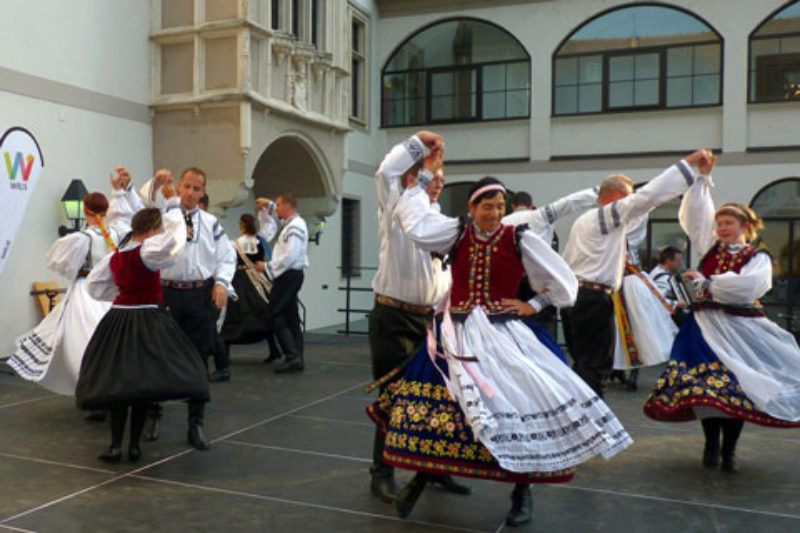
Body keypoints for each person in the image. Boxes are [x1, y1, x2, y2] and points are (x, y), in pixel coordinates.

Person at [369, 173, 633, 526]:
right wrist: (419, 183)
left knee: (518, 407)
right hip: (456, 333)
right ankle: (421, 478)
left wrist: (534, 305)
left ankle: (521, 492)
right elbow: (416, 226)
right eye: (487, 207)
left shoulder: (519, 237)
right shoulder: (456, 233)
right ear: (471, 208)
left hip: (501, 335)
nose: (494, 213)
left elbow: (566, 285)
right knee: (438, 408)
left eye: (499, 207)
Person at [644, 164, 800, 472]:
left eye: (729, 222)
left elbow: (751, 286)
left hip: (739, 328)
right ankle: (711, 445)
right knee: (708, 390)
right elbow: (696, 217)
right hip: (703, 327)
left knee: (736, 390)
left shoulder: (756, 257)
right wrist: (701, 180)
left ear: (744, 225)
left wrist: (709, 283)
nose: (722, 227)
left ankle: (729, 450)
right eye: (720, 223)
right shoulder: (709, 247)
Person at [365, 133, 472, 505]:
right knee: (393, 397)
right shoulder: (395, 207)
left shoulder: (437, 220)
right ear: (414, 179)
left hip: (431, 321)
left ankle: (433, 469)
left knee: (435, 398)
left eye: (440, 179)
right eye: (431, 177)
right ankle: (381, 472)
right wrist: (418, 146)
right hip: (394, 316)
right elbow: (384, 172)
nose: (438, 183)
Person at [561, 150, 712, 398]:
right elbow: (647, 197)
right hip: (592, 299)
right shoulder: (607, 215)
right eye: (627, 198)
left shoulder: (585, 220)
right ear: (617, 197)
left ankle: (582, 416)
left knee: (584, 362)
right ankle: (590, 421)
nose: (629, 204)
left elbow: (568, 261)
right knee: (595, 365)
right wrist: (690, 164)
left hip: (576, 297)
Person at [76, 191, 209, 463]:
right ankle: (134, 445)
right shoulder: (147, 251)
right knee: (141, 386)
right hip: (147, 320)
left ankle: (115, 446)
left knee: (119, 385)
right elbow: (174, 243)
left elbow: (95, 286)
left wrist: (122, 294)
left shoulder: (116, 255)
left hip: (118, 319)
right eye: (157, 230)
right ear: (150, 231)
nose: (160, 234)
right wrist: (173, 207)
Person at [9, 168, 142, 396]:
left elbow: (57, 262)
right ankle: (114, 383)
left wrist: (76, 271)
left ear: (86, 211)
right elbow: (126, 218)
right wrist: (119, 192)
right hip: (112, 292)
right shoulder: (120, 234)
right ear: (106, 210)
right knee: (112, 339)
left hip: (86, 290)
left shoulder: (80, 238)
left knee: (82, 342)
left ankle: (92, 386)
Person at [138, 167, 236, 449]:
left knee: (198, 359)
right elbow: (149, 200)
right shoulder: (164, 216)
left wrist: (221, 282)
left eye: (197, 188)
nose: (191, 193)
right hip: (167, 293)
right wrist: (157, 182)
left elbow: (226, 257)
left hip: (199, 296)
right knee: (158, 355)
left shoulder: (211, 223)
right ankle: (153, 415)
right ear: (178, 188)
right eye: (187, 187)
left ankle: (196, 424)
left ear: (203, 192)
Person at [503, 186, 599, 337]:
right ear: (530, 205)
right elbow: (569, 202)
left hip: (511, 285)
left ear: (513, 206)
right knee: (544, 336)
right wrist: (598, 192)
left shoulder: (500, 223)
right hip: (541, 283)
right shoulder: (540, 215)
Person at [608, 217, 679, 392]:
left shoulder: (626, 237)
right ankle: (620, 369)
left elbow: (638, 223)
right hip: (617, 286)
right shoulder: (615, 238)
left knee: (632, 329)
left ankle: (629, 371)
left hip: (626, 286)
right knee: (621, 330)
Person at [256, 193, 309, 374]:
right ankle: (297, 356)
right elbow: (278, 217)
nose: (276, 209)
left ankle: (292, 355)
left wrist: (268, 267)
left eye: (278, 205)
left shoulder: (295, 227)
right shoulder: (292, 224)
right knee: (291, 316)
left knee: (275, 313)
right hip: (290, 275)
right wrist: (269, 205)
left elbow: (290, 255)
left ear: (287, 206)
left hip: (288, 275)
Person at [220, 214, 281, 362]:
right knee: (264, 309)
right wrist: (265, 213)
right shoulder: (260, 240)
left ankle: (225, 354)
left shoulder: (233, 243)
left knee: (231, 315)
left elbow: (227, 260)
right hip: (259, 279)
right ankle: (274, 348)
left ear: (241, 226)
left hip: (239, 279)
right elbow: (270, 229)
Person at [650, 246, 690, 326]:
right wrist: (677, 303)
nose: (680, 263)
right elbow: (658, 299)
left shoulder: (658, 270)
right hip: (665, 318)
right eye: (677, 261)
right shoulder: (662, 277)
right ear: (668, 261)